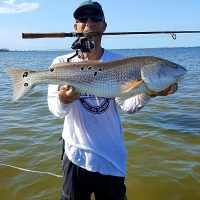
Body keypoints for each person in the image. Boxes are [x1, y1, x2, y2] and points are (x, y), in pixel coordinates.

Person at [48, 1, 178, 199]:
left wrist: (149, 93)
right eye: (83, 18)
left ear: (104, 26)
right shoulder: (61, 64)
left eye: (96, 18)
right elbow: (56, 111)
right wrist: (63, 99)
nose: (89, 22)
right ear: (75, 27)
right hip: (76, 154)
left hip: (111, 156)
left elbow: (128, 106)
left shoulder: (121, 62)